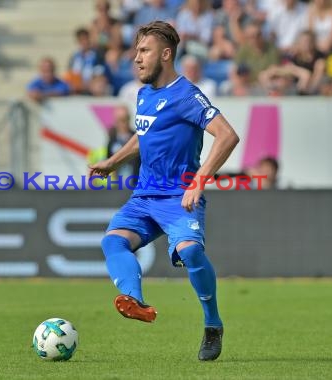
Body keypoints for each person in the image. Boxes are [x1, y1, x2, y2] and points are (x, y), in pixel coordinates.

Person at [88, 21, 240, 361]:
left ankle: (213, 325)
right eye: (136, 51)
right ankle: (135, 300)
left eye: (144, 51)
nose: (137, 59)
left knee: (190, 252)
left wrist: (199, 182)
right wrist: (113, 160)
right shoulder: (144, 94)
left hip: (178, 196)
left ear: (166, 55)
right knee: (113, 241)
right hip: (144, 197)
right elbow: (144, 134)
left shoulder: (186, 95)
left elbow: (227, 136)